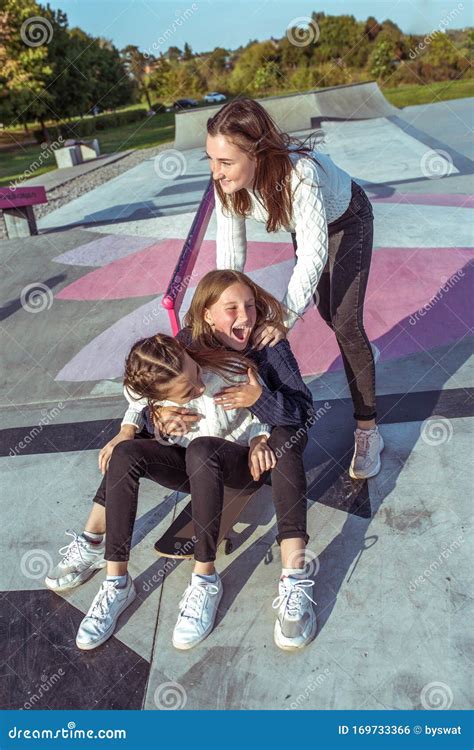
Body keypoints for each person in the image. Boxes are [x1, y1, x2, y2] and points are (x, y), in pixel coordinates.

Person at [45, 333, 314, 651]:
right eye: (187, 392)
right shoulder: (149, 392)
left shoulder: (226, 369)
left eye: (196, 375)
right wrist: (134, 427)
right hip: (193, 470)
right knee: (125, 454)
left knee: (200, 448)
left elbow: (261, 415)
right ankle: (116, 582)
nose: (200, 388)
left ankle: (205, 580)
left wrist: (259, 439)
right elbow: (134, 397)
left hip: (239, 465)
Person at [206, 97, 384, 480]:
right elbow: (230, 259)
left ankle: (368, 430)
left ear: (255, 153)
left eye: (225, 162)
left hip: (347, 219)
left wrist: (284, 318)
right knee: (327, 313)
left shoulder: (299, 173)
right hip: (308, 226)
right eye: (211, 159)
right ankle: (363, 356)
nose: (215, 172)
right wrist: (224, 312)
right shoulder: (226, 185)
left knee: (345, 322)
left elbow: (312, 256)